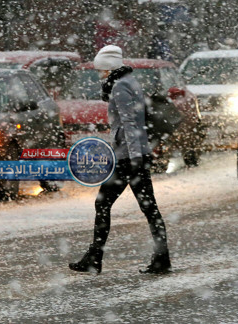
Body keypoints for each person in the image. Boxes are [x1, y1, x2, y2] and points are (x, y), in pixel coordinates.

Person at [69, 45, 171, 274]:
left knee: (107, 204)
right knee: (148, 207)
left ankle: (96, 258)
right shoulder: (130, 80)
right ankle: (160, 258)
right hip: (134, 155)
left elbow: (129, 123)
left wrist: (134, 158)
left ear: (108, 68)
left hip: (129, 157)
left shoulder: (120, 86)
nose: (99, 74)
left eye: (101, 70)